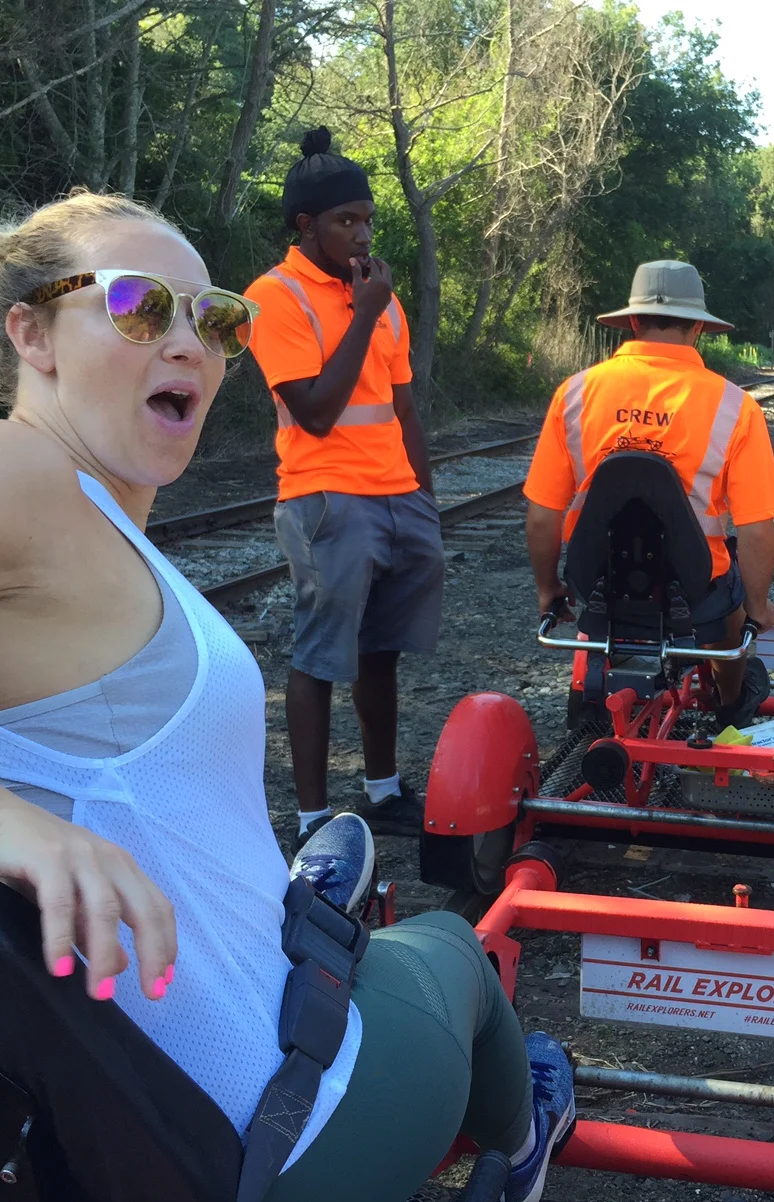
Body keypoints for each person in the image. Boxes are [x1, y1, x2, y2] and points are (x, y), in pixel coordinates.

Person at [0, 190, 572, 1202]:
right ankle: (524, 1138)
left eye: (217, 318)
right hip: (282, 1141)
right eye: (141, 305)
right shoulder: (10, 471)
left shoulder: (81, 527)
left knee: (340, 936)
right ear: (31, 332)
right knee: (452, 954)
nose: (189, 340)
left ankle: (295, 911)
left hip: (147, 1147)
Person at [244, 127, 443, 844]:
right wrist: (362, 313)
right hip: (326, 497)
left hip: (397, 497)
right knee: (321, 655)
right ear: (305, 226)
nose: (361, 235)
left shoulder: (380, 294)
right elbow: (317, 411)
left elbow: (404, 405)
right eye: (344, 221)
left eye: (366, 219)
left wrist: (423, 497)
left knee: (381, 651)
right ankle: (312, 816)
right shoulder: (274, 296)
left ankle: (384, 791)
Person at [523, 260, 774, 727]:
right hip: (697, 593)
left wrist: (549, 588)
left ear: (631, 320)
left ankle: (600, 692)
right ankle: (730, 704)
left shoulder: (575, 394)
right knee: (733, 605)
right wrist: (756, 607)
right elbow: (755, 529)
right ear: (699, 328)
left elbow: (544, 515)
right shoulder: (734, 406)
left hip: (598, 581)